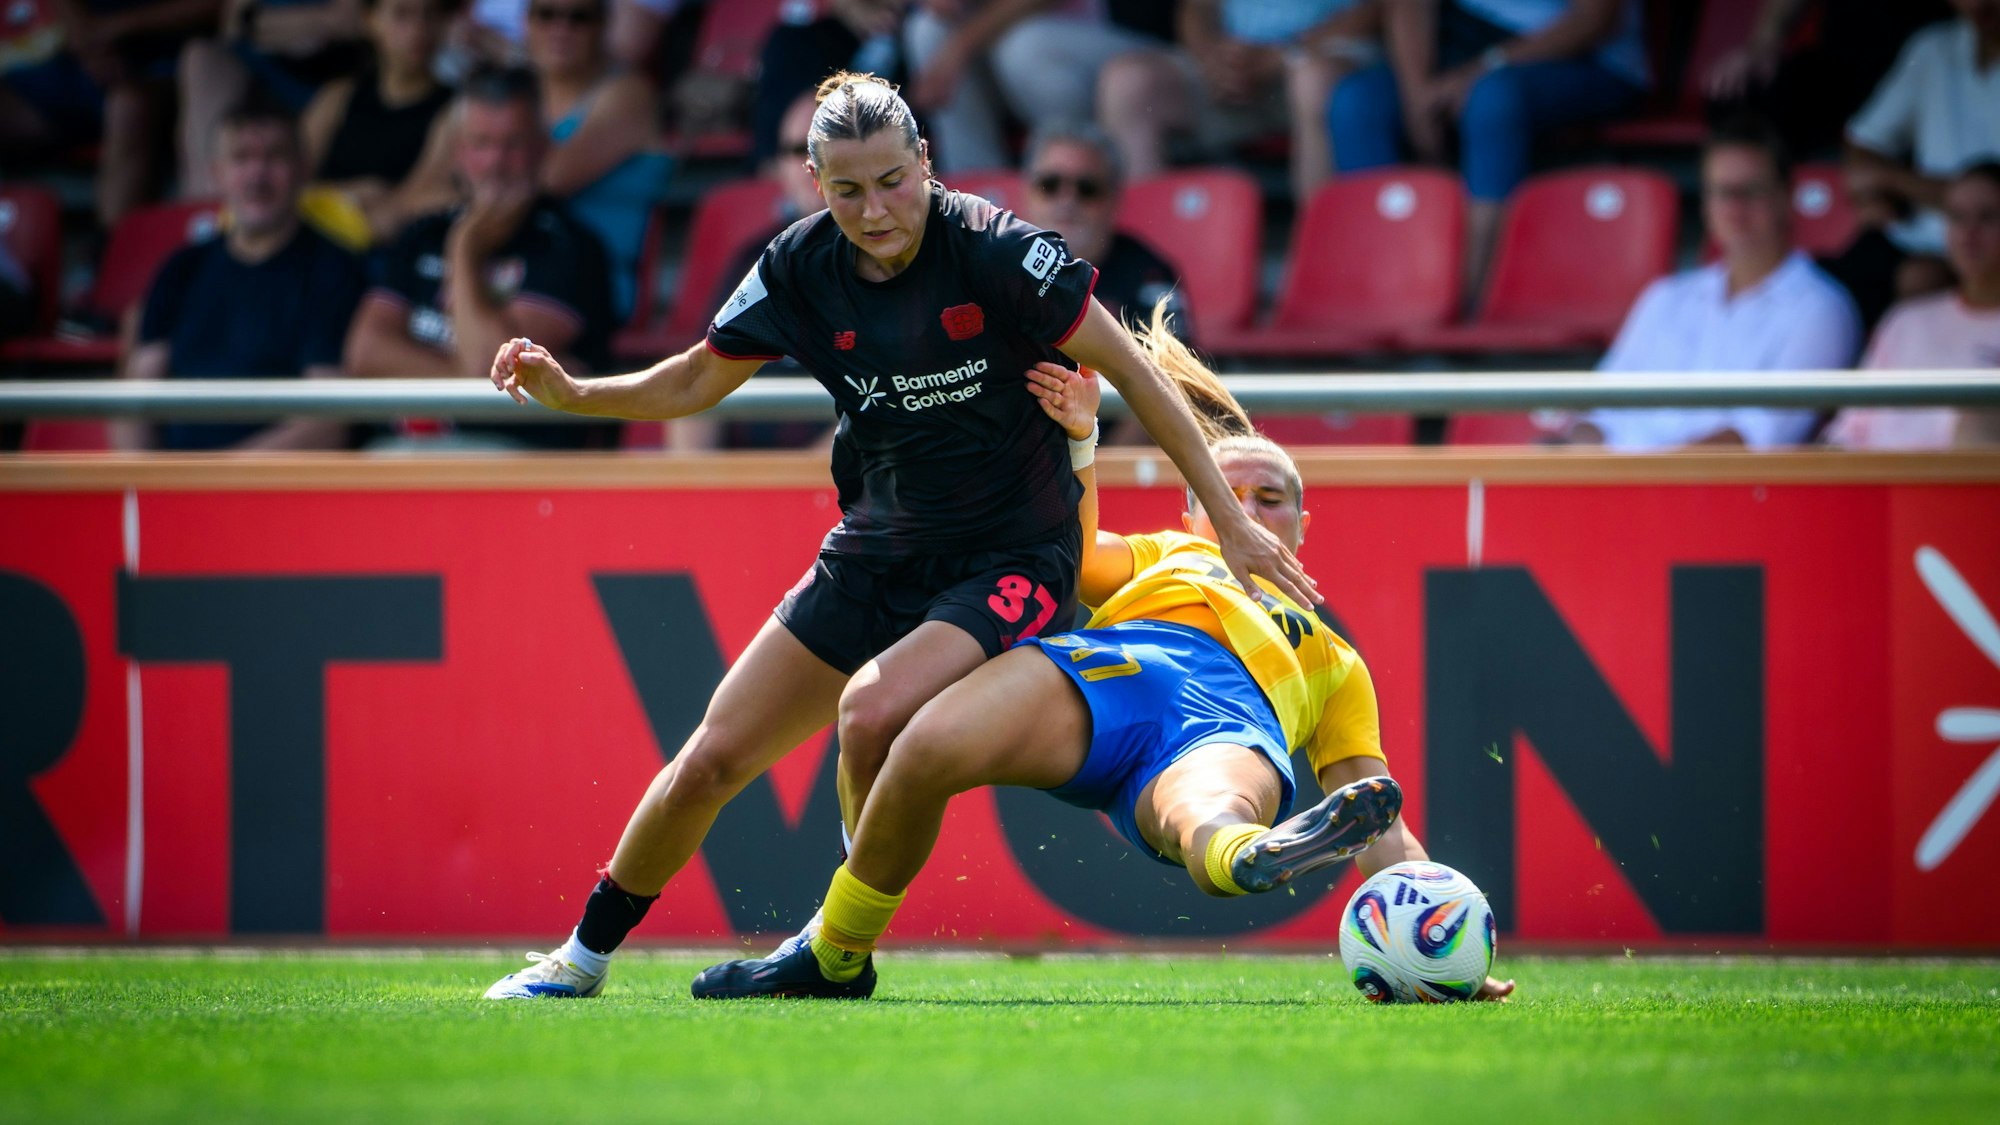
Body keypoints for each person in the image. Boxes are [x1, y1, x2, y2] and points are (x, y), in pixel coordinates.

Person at [481, 71, 1316, 1000]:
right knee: (712, 757)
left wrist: (1233, 521)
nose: (874, 210)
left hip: (1012, 557)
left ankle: (832, 946)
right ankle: (580, 959)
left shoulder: (999, 250)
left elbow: (1133, 370)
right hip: (874, 550)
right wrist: (576, 394)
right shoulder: (798, 266)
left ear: (927, 162)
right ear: (813, 181)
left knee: (871, 711)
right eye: (847, 189)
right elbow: (690, 381)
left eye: (892, 181)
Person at [688, 307, 1514, 1001]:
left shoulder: (1335, 657)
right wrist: (1081, 439)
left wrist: (1438, 923)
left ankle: (1256, 853)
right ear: (1203, 512)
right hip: (1109, 669)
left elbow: (1377, 809)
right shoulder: (1167, 555)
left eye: (1275, 498)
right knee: (921, 748)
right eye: (1236, 496)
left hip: (1228, 720)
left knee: (1208, 814)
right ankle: (836, 954)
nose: (1255, 509)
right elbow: (1077, 560)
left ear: (1304, 522)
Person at [343, 63, 618, 450]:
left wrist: (465, 248)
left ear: (542, 148)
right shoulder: (422, 234)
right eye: (481, 144)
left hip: (512, 458)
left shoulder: (570, 247)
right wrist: (459, 374)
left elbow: (487, 367)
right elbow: (365, 352)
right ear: (459, 154)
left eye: (513, 144)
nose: (496, 163)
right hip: (395, 453)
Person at [1568, 117, 1861, 451]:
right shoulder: (1665, 296)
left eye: (1750, 191)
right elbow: (1596, 408)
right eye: (1722, 192)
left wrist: (1641, 479)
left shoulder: (1821, 308)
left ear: (1785, 195)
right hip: (1619, 483)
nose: (1734, 208)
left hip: (1719, 495)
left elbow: (1758, 439)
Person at [1328, 0, 1649, 300]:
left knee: (1493, 100)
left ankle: (1467, 299)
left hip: (1583, 58)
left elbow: (1595, 19)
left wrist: (1482, 69)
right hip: (1460, 54)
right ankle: (1386, 292)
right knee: (1357, 103)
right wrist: (1416, 98)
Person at [112, 97, 365, 452]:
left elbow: (327, 423)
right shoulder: (181, 267)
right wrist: (146, 486)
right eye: (241, 158)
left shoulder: (335, 272)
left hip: (274, 492)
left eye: (274, 157)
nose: (257, 174)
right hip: (171, 488)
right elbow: (135, 399)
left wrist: (210, 486)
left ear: (304, 169)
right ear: (218, 173)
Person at [1097, 0, 1382, 206]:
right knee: (1129, 84)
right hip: (1236, 65)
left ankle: (1322, 256)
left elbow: (1380, 8)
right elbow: (1197, 8)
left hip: (1327, 52)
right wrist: (1211, 58)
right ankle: (1144, 264)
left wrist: (1284, 53)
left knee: (1312, 82)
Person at [1836, 0, 2000, 322]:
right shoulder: (1933, 48)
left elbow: (1981, 198)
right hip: (1916, 239)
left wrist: (1894, 180)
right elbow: (1862, 142)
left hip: (1983, 248)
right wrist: (1876, 195)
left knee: (1921, 280)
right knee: (1833, 289)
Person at [1826, 163, 2000, 450]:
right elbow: (1847, 433)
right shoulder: (1905, 320)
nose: (1969, 233)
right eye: (1957, 217)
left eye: (1987, 217)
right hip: (1879, 488)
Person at [522, 0, 669, 319]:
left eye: (579, 17)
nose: (561, 30)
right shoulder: (511, 95)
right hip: (517, 273)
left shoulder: (631, 92)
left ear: (603, 26)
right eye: (546, 15)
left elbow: (545, 181)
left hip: (595, 287)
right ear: (526, 22)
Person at [903, 0, 1164, 174]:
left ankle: (1066, 177)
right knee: (927, 31)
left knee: (1024, 47)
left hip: (1113, 55)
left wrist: (959, 48)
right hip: (1009, 68)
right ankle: (976, 208)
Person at [294, 0, 460, 249]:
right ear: (370, 21)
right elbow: (287, 182)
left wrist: (319, 201)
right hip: (313, 245)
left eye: (430, 14)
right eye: (402, 14)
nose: (418, 28)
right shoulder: (337, 97)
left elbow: (403, 207)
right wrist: (352, 194)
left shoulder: (455, 109)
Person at [177, 0, 368, 199]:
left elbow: (349, 23)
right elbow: (231, 28)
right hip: (263, 68)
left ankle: (284, 198)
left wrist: (257, 22)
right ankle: (204, 204)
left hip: (333, 73)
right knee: (201, 57)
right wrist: (316, 22)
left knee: (337, 95)